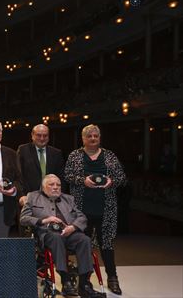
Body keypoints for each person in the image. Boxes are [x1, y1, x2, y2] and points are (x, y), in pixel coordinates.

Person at [64, 124, 127, 295]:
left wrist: (111, 181)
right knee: (83, 247)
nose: (93, 139)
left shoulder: (110, 155)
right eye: (89, 136)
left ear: (99, 138)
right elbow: (67, 175)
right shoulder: (75, 155)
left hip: (106, 211)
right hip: (81, 212)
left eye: (96, 136)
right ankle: (84, 283)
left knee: (107, 246)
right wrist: (82, 180)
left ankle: (112, 279)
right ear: (83, 139)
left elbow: (122, 177)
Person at [20, 174, 104, 298]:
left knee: (84, 239)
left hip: (68, 233)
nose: (56, 187)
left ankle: (85, 285)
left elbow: (82, 217)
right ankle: (66, 280)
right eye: (51, 184)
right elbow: (23, 218)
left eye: (58, 185)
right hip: (48, 235)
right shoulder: (33, 197)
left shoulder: (68, 199)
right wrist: (43, 220)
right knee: (56, 237)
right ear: (43, 187)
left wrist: (73, 227)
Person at [17, 123, 65, 206]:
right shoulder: (23, 150)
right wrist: (21, 195)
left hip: (52, 198)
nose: (42, 138)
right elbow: (18, 174)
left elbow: (61, 176)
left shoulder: (56, 153)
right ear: (32, 135)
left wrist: (59, 195)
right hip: (28, 198)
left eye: (45, 135)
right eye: (39, 135)